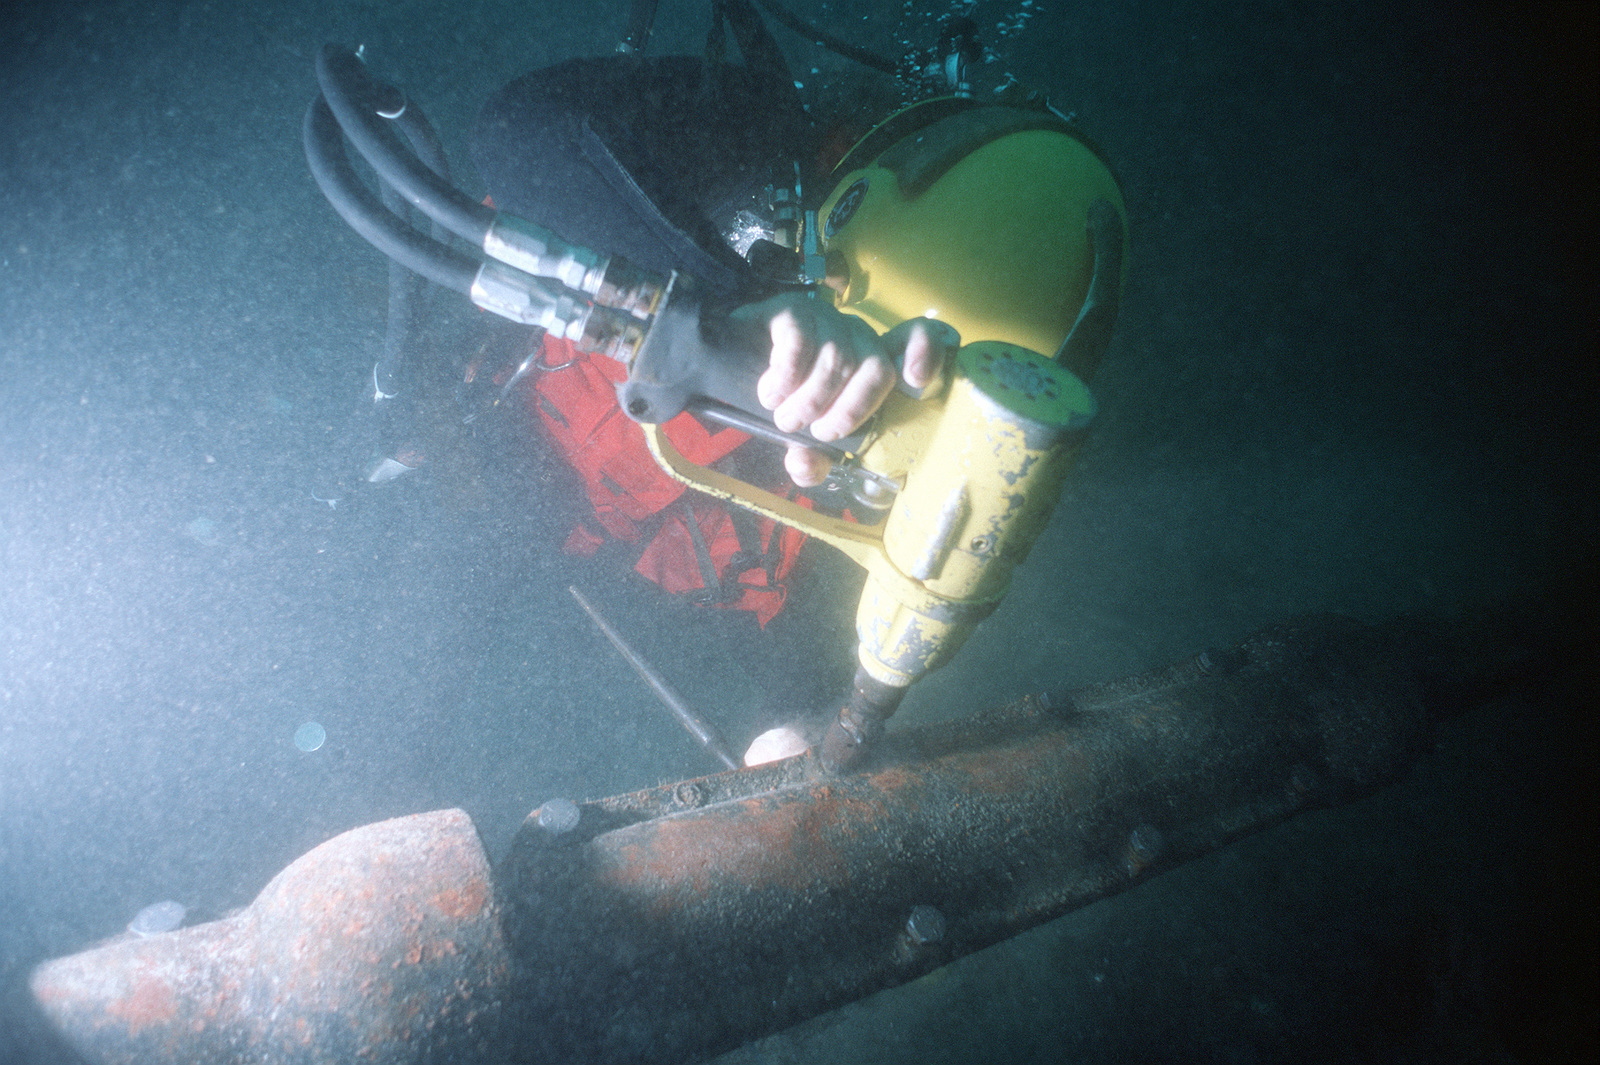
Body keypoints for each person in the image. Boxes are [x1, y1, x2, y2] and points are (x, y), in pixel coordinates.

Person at [467, 1, 940, 624]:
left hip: (788, 179)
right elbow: (848, 599)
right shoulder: (663, 565)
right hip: (904, 312)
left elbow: (523, 133)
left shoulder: (480, 326)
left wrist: (731, 308)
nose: (463, 496)